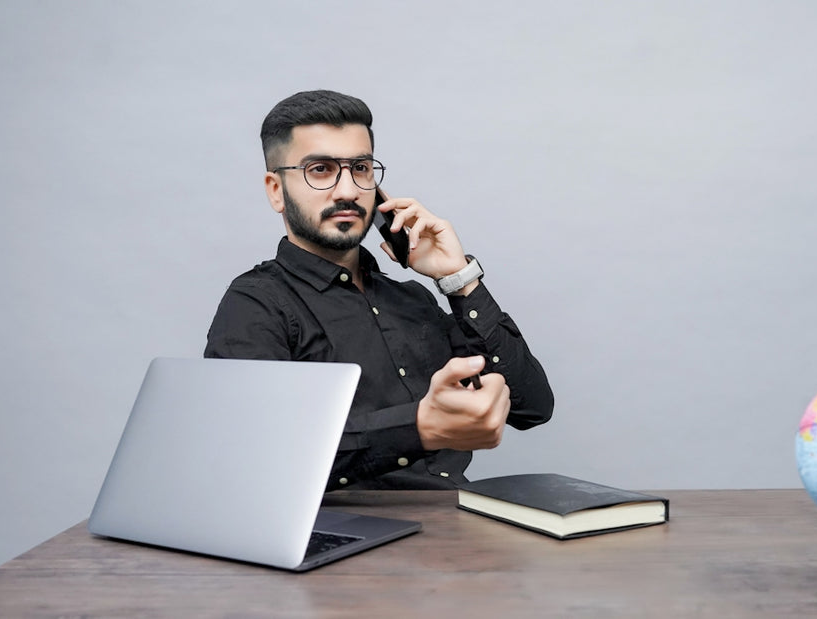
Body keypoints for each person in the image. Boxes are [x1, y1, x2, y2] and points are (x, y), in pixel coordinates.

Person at [204, 90, 555, 490]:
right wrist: (419, 429)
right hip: (342, 537)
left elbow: (532, 407)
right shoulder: (256, 305)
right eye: (320, 169)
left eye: (361, 168)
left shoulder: (414, 299)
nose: (348, 191)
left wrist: (459, 279)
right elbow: (252, 456)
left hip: (455, 531)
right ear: (275, 190)